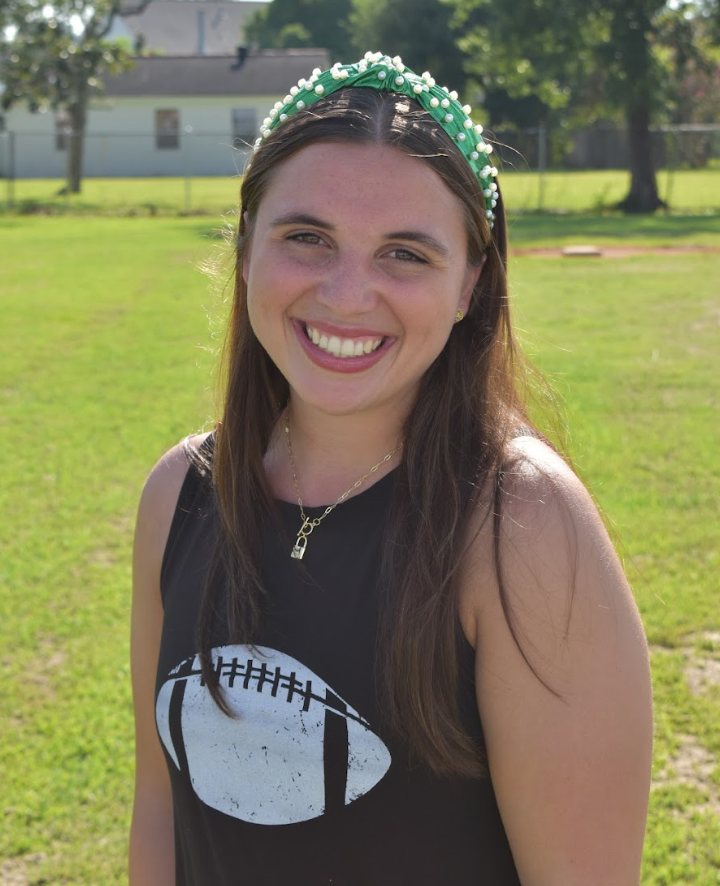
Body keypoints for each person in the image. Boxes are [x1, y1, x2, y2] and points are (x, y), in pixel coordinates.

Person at [129, 52, 653, 886]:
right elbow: (160, 813)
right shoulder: (181, 493)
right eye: (308, 237)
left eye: (405, 254)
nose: (345, 294)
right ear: (245, 249)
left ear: (471, 285)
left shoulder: (521, 524)